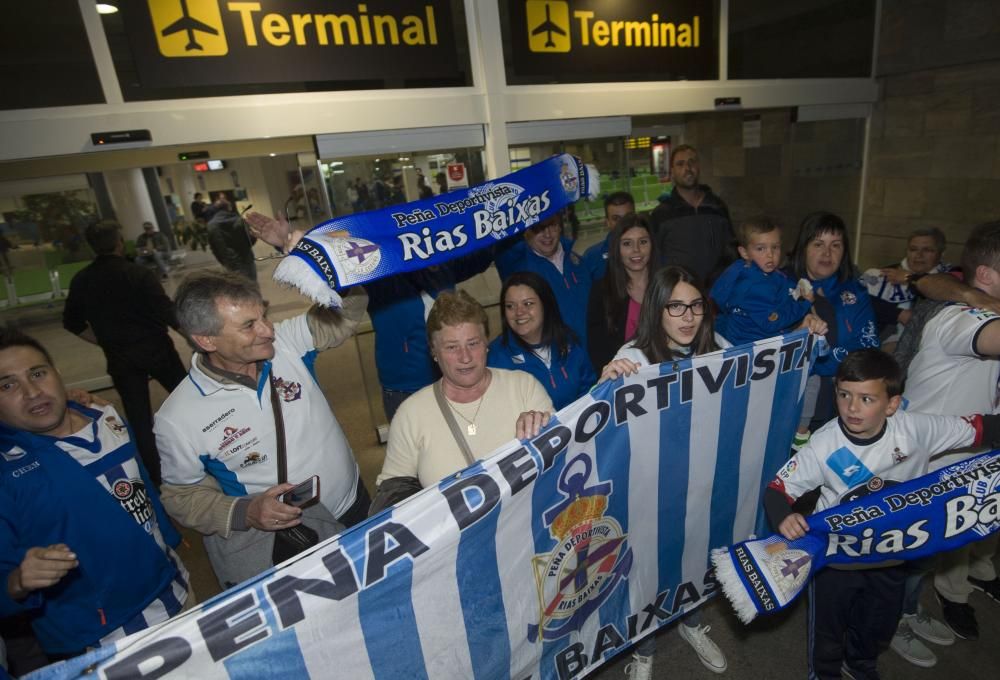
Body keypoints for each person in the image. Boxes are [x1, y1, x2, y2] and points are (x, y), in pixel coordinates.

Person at [764, 349, 1000, 680]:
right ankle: (825, 673)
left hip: (893, 555)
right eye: (844, 395)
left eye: (866, 399)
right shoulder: (824, 444)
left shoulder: (916, 428)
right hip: (836, 558)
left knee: (878, 625)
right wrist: (783, 517)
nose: (851, 407)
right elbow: (777, 489)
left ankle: (860, 666)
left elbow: (980, 428)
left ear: (891, 404)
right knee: (828, 631)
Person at [155, 223, 370, 584]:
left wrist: (317, 259)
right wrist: (245, 512)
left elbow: (349, 313)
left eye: (264, 315)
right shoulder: (177, 418)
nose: (267, 330)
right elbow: (181, 495)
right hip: (290, 540)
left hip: (354, 507)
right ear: (206, 339)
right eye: (248, 325)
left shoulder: (286, 344)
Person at [0, 327, 189, 659]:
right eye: (7, 385)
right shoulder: (8, 473)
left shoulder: (104, 415)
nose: (32, 392)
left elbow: (140, 483)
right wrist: (18, 581)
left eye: (38, 373)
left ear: (57, 373)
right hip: (102, 640)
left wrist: (169, 535)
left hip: (178, 589)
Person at [598, 266, 729, 678]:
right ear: (657, 311)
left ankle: (690, 623)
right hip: (649, 488)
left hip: (701, 481)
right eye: (676, 307)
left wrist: (808, 335)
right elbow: (601, 425)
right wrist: (605, 384)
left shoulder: (721, 347)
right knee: (648, 569)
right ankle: (644, 647)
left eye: (695, 306)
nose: (688, 317)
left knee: (694, 555)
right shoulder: (633, 357)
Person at [893, 221, 1000, 649]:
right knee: (904, 558)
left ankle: (907, 611)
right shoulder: (962, 319)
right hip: (921, 466)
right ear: (987, 276)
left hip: (953, 466)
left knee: (922, 557)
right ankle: (889, 626)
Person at [377, 291, 553, 490]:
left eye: (473, 343)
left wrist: (543, 425)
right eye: (452, 347)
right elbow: (393, 492)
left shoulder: (523, 387)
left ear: (486, 343)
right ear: (433, 351)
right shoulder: (411, 413)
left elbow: (560, 453)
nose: (465, 357)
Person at [62, 220, 188, 487]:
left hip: (120, 357)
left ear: (91, 247)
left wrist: (104, 341)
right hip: (157, 349)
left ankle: (156, 478)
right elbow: (168, 313)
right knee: (190, 398)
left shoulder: (82, 280)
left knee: (140, 419)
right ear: (119, 243)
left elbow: (71, 322)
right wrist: (196, 340)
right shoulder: (138, 274)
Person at [366, 250, 494, 422]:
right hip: (405, 387)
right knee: (416, 444)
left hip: (452, 377)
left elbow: (479, 257)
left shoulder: (438, 257)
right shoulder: (377, 270)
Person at [787, 212, 879, 450]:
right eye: (818, 244)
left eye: (835, 245)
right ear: (803, 248)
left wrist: (822, 360)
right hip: (788, 399)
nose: (827, 253)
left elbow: (868, 349)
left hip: (841, 399)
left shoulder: (855, 293)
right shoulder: (779, 286)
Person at [488, 272, 595, 411]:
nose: (519, 312)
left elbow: (589, 389)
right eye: (510, 306)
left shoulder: (569, 341)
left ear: (546, 305)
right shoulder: (495, 358)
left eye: (528, 304)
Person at [711, 216, 814, 346]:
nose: (770, 254)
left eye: (775, 247)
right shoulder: (753, 286)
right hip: (751, 348)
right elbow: (771, 323)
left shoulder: (755, 269)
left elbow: (780, 283)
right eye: (761, 248)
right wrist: (802, 303)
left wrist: (795, 290)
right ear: (744, 252)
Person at [495, 212, 593, 347]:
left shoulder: (578, 263)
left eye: (552, 225)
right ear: (526, 231)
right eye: (538, 228)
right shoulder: (516, 266)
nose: (547, 234)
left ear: (560, 226)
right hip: (550, 359)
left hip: (589, 356)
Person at [649, 145, 734, 285]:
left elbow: (731, 250)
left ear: (698, 167)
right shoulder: (661, 214)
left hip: (718, 292)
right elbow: (654, 259)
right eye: (680, 164)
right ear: (672, 171)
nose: (687, 168)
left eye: (691, 162)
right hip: (681, 293)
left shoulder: (717, 206)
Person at [586, 213, 656, 374]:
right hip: (625, 380)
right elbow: (598, 349)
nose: (636, 250)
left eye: (643, 242)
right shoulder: (601, 292)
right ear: (616, 249)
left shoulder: (668, 286)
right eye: (627, 244)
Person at [862, 227, 951, 350]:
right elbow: (855, 299)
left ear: (941, 253)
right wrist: (898, 314)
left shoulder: (951, 279)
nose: (919, 255)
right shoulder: (880, 275)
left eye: (927, 250)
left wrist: (911, 279)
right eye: (913, 249)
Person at [581, 191, 635, 280]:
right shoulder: (592, 257)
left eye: (628, 217)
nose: (622, 223)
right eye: (616, 218)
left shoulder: (648, 251)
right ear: (607, 222)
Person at [206, 197, 256, 282]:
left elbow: (213, 247)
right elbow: (251, 238)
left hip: (229, 262)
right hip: (246, 259)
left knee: (237, 289)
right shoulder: (239, 219)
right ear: (229, 207)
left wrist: (223, 261)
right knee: (252, 286)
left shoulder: (211, 225)